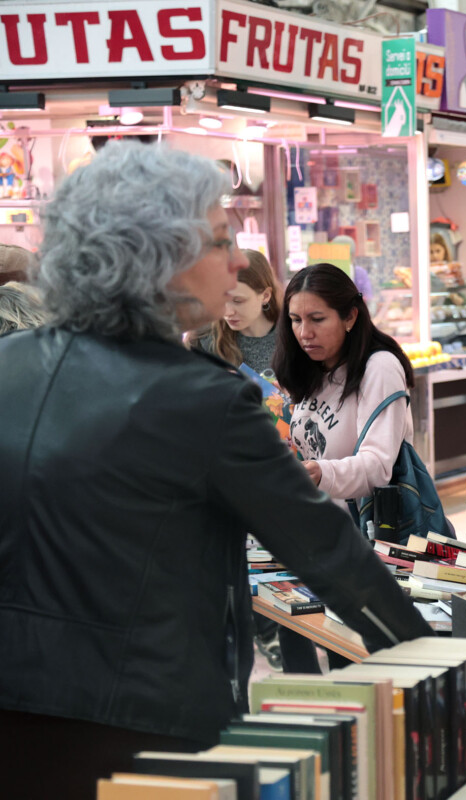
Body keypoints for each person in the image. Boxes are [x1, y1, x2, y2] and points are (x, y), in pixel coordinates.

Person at [0, 142, 431, 798]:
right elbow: (327, 554)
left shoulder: (11, 363)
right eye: (219, 240)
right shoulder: (202, 397)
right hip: (148, 726)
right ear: (158, 254)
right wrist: (438, 665)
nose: (236, 262)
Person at [272, 263, 420, 673]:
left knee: (358, 667)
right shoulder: (312, 369)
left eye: (317, 319)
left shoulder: (379, 367)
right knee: (303, 654)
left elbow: (378, 466)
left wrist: (319, 473)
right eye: (297, 320)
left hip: (367, 544)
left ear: (351, 316)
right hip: (313, 540)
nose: (305, 333)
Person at [187, 249, 281, 374]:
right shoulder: (203, 336)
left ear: (265, 296)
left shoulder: (294, 335)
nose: (227, 312)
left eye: (238, 301)